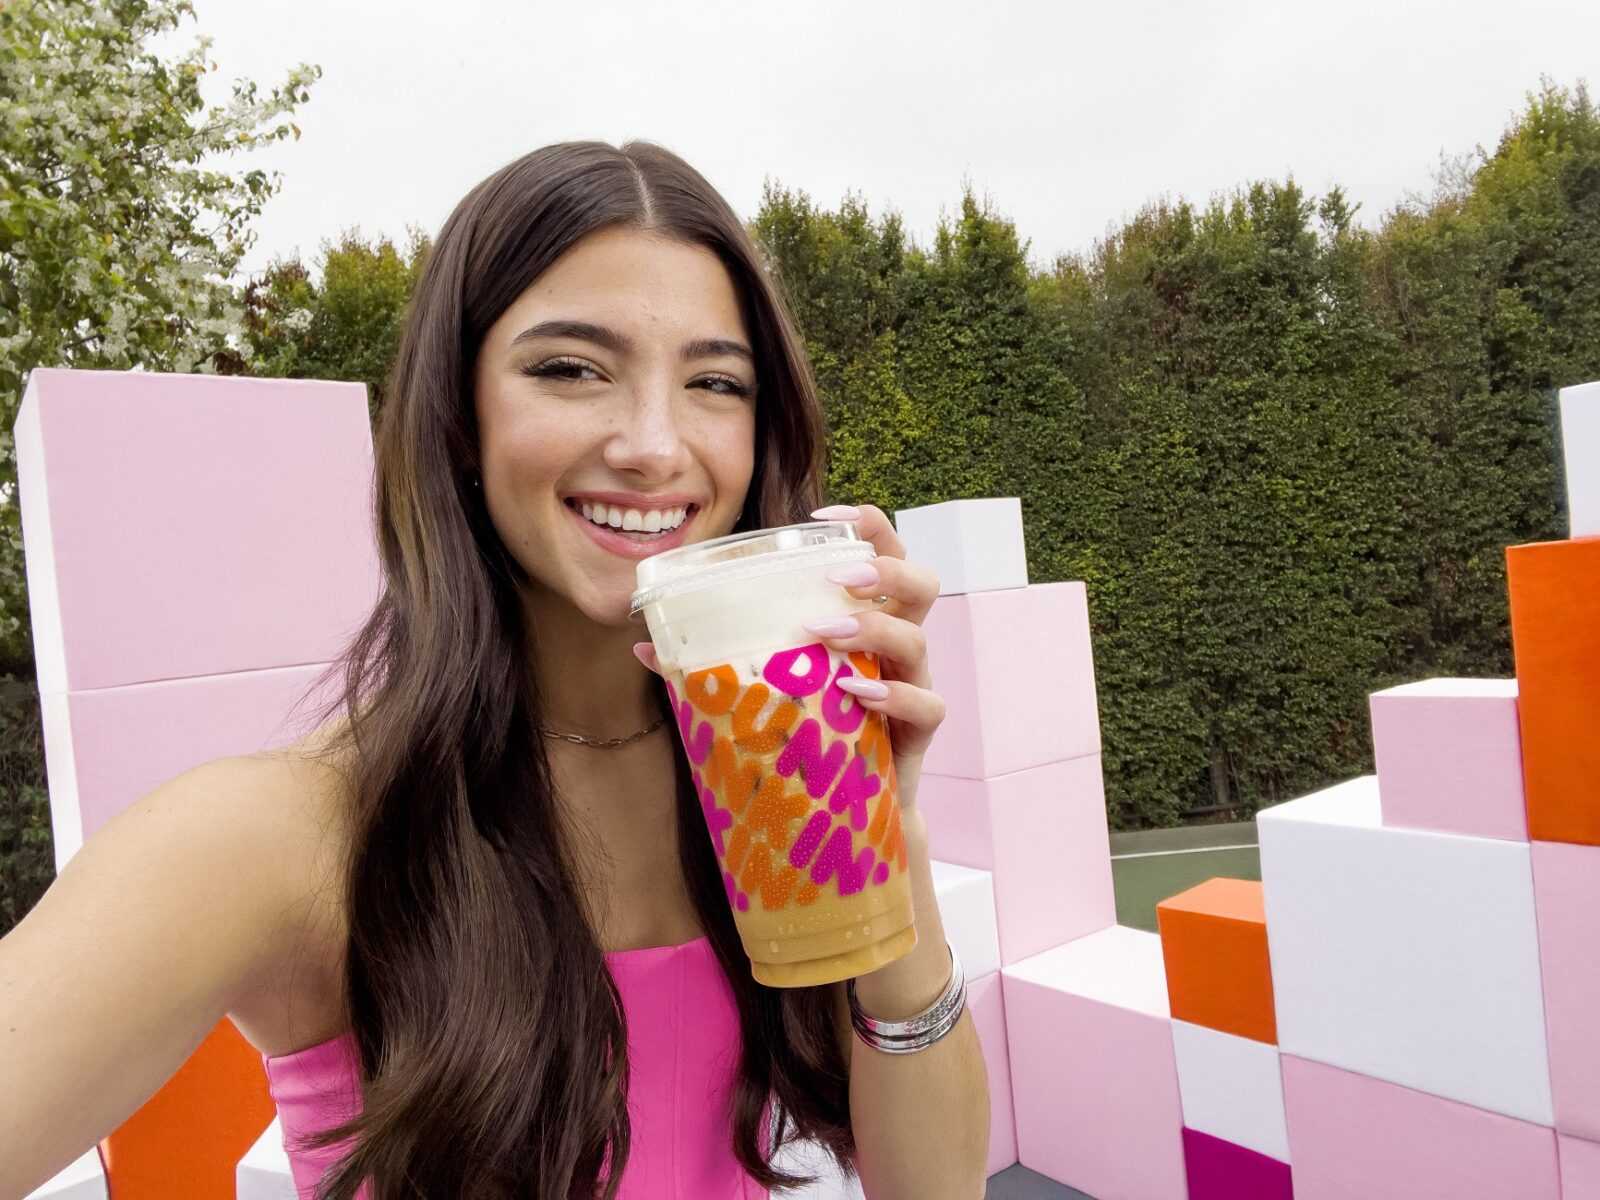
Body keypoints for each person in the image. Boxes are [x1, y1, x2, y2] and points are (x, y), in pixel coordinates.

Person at [0, 141, 990, 1199]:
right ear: (460, 417)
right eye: (570, 369)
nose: (654, 446)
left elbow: (934, 1191)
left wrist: (885, 837)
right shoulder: (285, 838)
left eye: (714, 382)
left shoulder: (768, 794)